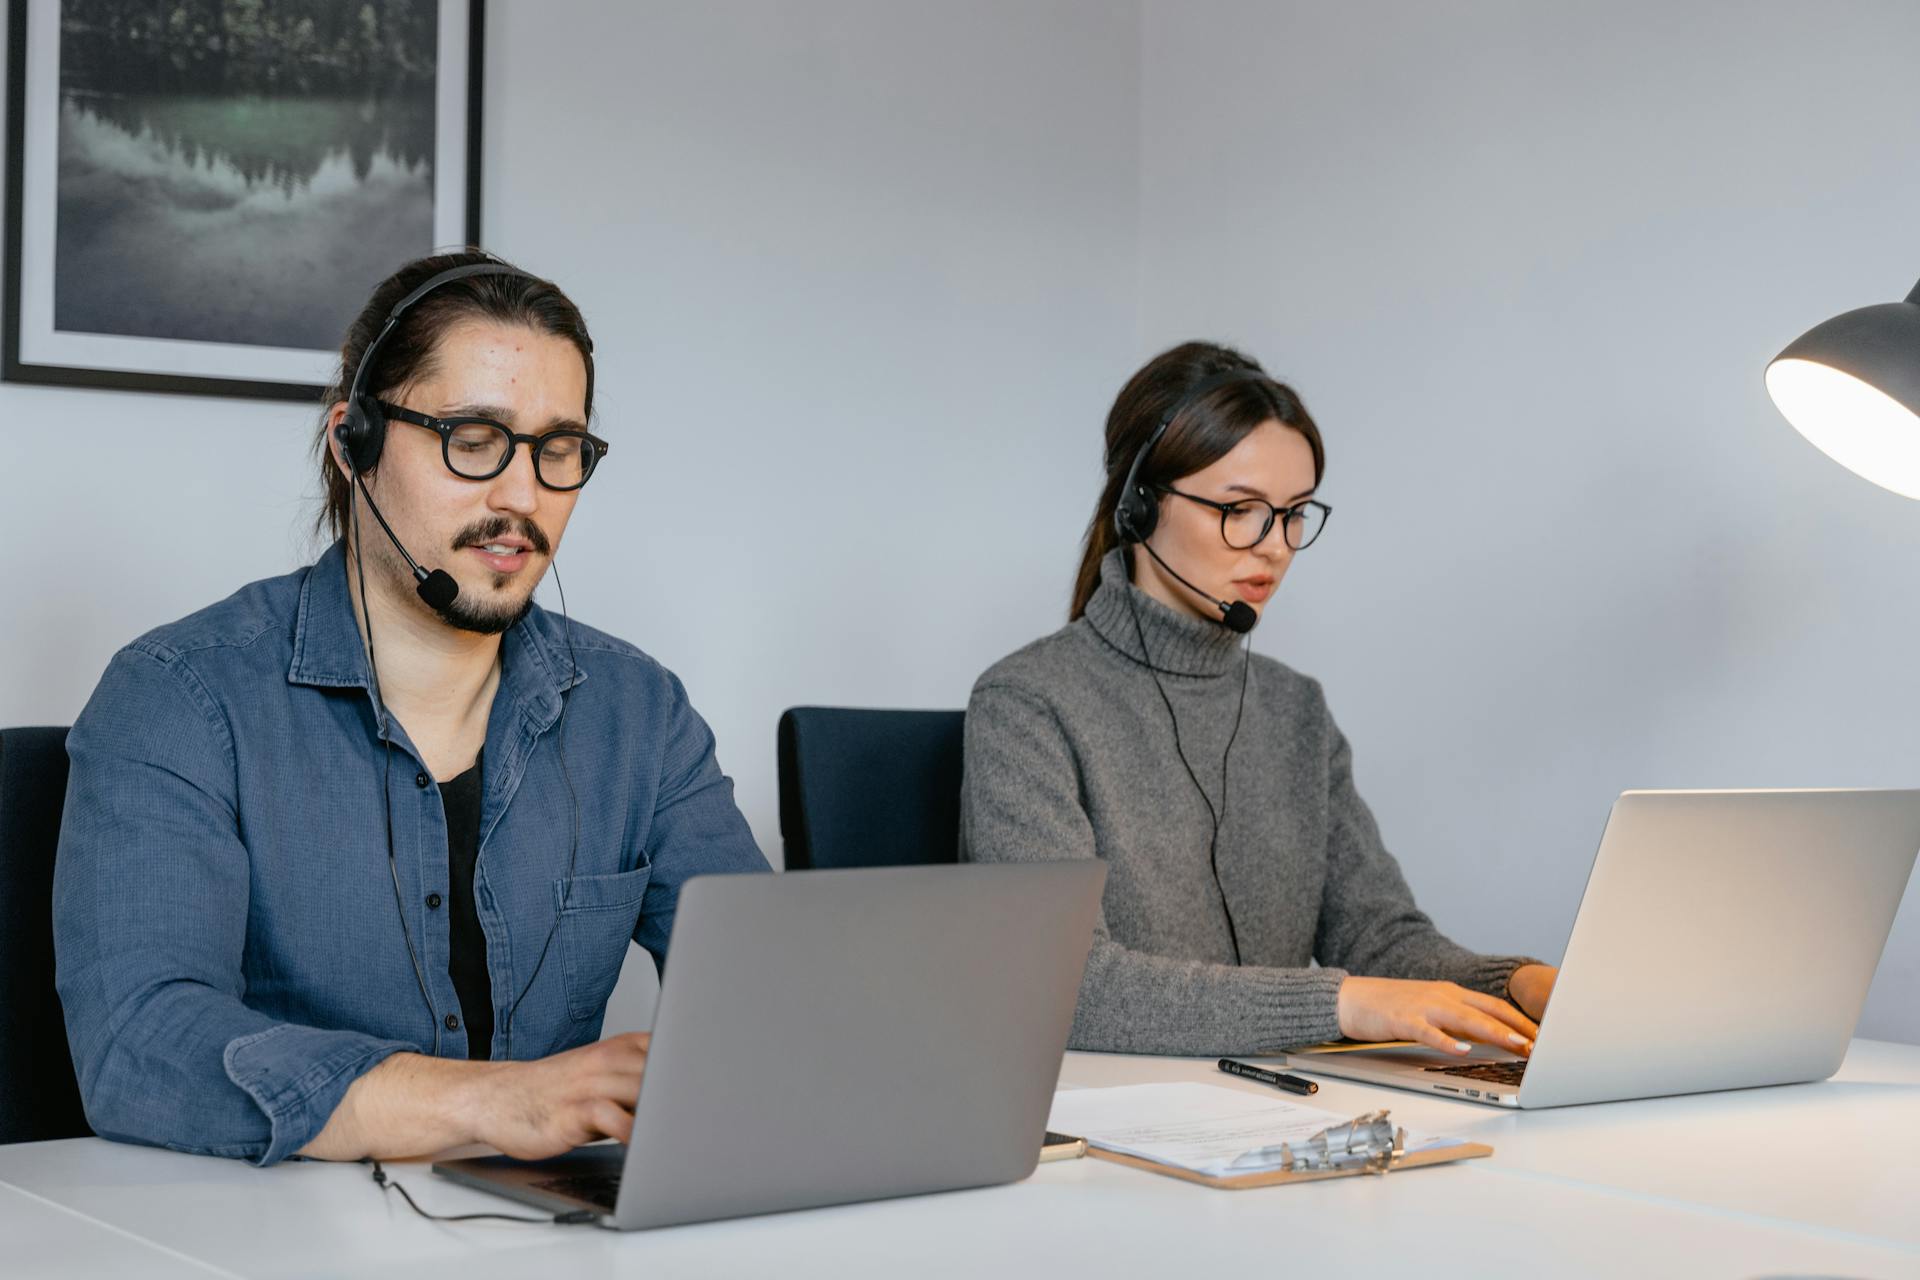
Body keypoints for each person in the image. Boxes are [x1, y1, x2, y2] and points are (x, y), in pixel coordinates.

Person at [54, 251, 769, 1167]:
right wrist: (494, 1103)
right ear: (352, 443)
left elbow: (768, 1001)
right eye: (473, 439)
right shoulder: (179, 698)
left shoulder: (639, 712)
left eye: (559, 450)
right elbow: (139, 1045)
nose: (521, 496)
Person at [959, 341, 1557, 1058]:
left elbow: (1378, 938)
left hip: (1279, 1114)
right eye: (1241, 510)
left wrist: (1517, 982)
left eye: (1295, 513)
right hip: (1117, 1124)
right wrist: (1339, 1002)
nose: (1275, 547)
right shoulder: (1028, 704)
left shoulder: (1296, 712)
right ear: (1141, 506)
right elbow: (1063, 986)